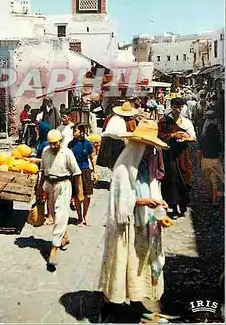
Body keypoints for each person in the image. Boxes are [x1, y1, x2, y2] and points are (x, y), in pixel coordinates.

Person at [98, 120, 168, 322]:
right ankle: (110, 305)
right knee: (121, 263)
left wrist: (159, 205)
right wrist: (144, 201)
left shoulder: (145, 167)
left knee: (140, 266)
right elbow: (121, 201)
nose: (150, 151)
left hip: (144, 224)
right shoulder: (122, 169)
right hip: (126, 227)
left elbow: (152, 189)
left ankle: (137, 301)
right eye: (147, 147)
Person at [36, 129, 81, 268]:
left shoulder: (67, 153)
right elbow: (43, 171)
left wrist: (79, 192)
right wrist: (39, 188)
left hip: (64, 185)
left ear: (60, 142)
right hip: (50, 185)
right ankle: (64, 236)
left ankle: (53, 249)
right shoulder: (45, 151)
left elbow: (77, 173)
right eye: (51, 144)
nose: (54, 146)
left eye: (56, 143)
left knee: (61, 213)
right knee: (56, 215)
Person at [158, 97, 196, 218]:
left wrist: (185, 137)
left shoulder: (186, 122)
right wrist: (172, 135)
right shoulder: (164, 121)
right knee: (172, 180)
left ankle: (183, 206)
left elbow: (193, 137)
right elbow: (159, 135)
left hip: (183, 154)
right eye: (175, 107)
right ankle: (173, 207)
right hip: (170, 154)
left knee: (185, 178)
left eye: (180, 107)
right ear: (171, 107)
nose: (177, 110)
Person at [68, 124, 95, 226]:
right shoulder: (71, 144)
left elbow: (92, 158)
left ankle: (85, 215)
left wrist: (95, 172)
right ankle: (79, 217)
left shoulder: (87, 144)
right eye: (74, 131)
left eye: (76, 131)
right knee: (76, 196)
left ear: (81, 132)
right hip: (74, 171)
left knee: (87, 195)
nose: (74, 133)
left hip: (85, 170)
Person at [97, 101, 138, 170]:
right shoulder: (130, 121)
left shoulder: (110, 118)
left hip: (111, 143)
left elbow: (105, 131)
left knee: (114, 164)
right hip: (123, 145)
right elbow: (134, 133)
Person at [198, 109, 223, 205]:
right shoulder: (214, 129)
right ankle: (215, 200)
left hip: (205, 158)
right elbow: (219, 145)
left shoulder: (203, 129)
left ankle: (210, 196)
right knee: (216, 181)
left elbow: (200, 145)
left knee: (208, 180)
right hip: (214, 158)